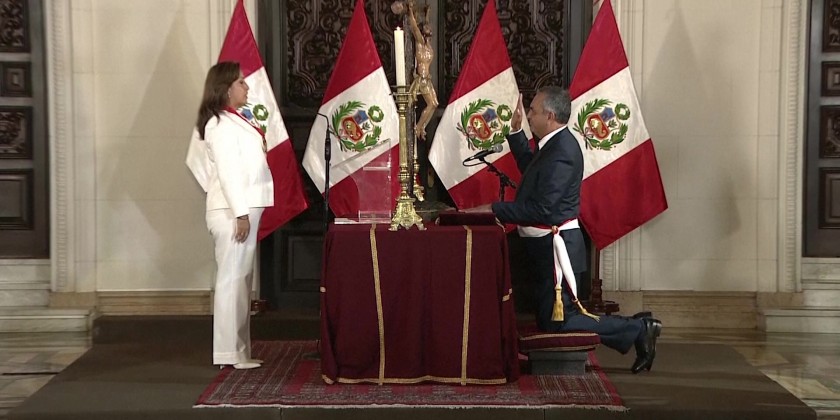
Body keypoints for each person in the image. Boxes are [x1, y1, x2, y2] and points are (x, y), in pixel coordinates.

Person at [481, 86, 661, 373]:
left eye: (533, 111)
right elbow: (532, 172)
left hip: (558, 249)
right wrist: (515, 134)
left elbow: (544, 210)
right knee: (550, 319)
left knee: (561, 321)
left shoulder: (562, 150)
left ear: (550, 116)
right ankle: (638, 326)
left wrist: (494, 209)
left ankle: (639, 329)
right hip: (545, 248)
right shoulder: (553, 144)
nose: (528, 115)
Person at [195, 61, 273, 370]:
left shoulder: (232, 120)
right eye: (241, 82)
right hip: (232, 211)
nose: (247, 86)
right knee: (232, 280)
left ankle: (239, 351)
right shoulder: (219, 125)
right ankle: (228, 353)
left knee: (241, 280)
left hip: (243, 207)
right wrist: (240, 214)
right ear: (226, 88)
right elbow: (228, 172)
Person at [406, 0, 438, 140]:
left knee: (435, 104)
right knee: (431, 103)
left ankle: (422, 126)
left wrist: (428, 13)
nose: (429, 28)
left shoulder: (428, 45)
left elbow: (426, 23)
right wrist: (410, 11)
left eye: (429, 27)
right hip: (422, 80)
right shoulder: (420, 43)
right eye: (426, 28)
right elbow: (414, 27)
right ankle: (418, 126)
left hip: (427, 79)